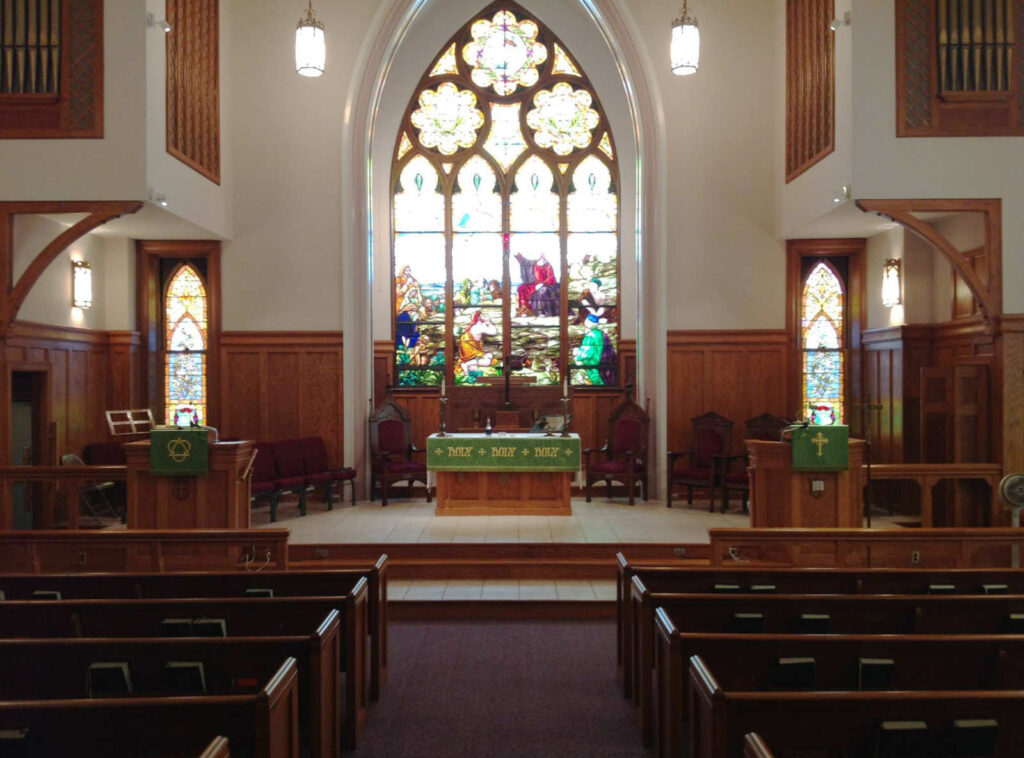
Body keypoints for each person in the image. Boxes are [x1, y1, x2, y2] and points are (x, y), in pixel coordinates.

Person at [515, 252, 559, 317]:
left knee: (542, 291)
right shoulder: (535, 264)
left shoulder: (548, 266)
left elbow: (551, 278)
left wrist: (542, 283)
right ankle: (524, 307)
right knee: (521, 287)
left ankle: (539, 311)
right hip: (535, 284)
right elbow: (524, 262)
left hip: (547, 284)